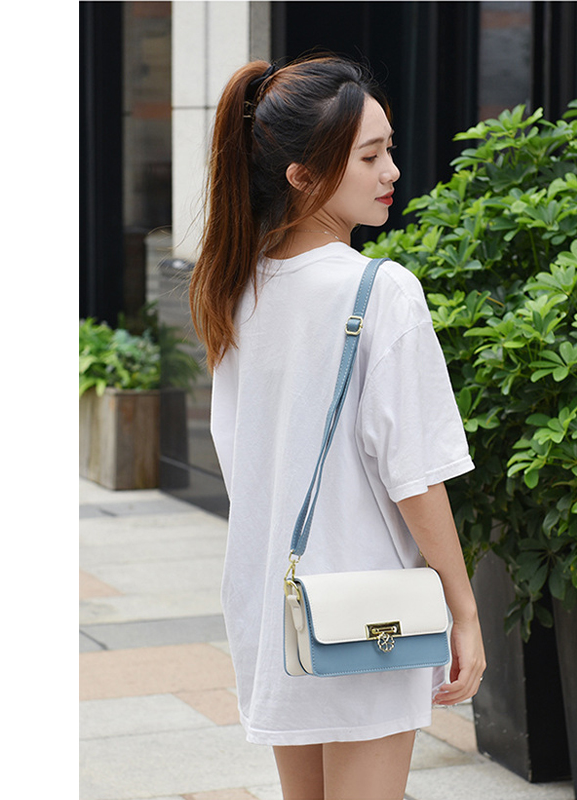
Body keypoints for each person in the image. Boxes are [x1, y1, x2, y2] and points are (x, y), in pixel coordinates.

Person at [189, 55, 486, 800]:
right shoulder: (380, 290)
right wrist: (463, 608)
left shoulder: (235, 288)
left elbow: (241, 458)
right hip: (369, 612)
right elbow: (414, 475)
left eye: (388, 149)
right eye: (369, 156)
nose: (392, 171)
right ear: (302, 175)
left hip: (277, 606)